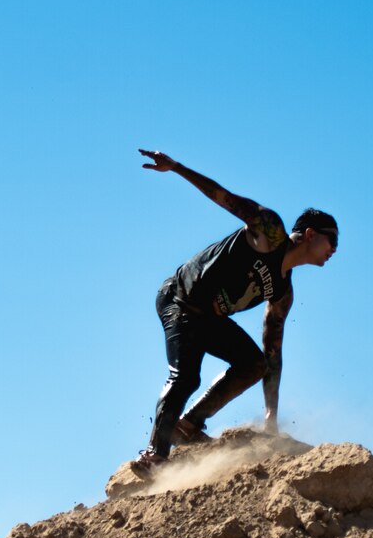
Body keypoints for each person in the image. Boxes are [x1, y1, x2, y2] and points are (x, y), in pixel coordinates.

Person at [131, 149, 338, 473]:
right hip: (180, 300)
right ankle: (155, 454)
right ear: (310, 234)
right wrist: (177, 168)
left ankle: (189, 424)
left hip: (209, 319)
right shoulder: (270, 232)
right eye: (332, 240)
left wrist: (271, 414)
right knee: (186, 377)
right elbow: (223, 197)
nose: (334, 251)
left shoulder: (282, 292)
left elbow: (272, 353)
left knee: (254, 363)